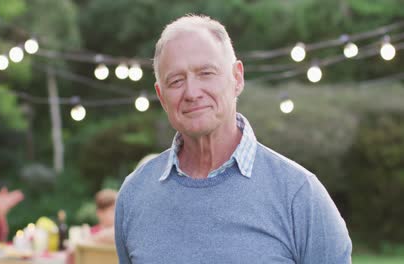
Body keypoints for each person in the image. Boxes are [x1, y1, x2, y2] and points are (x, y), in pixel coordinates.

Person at [115, 14, 352, 263]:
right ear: (161, 96)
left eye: (206, 73)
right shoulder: (134, 195)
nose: (192, 92)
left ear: (237, 78)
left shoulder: (299, 194)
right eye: (176, 81)